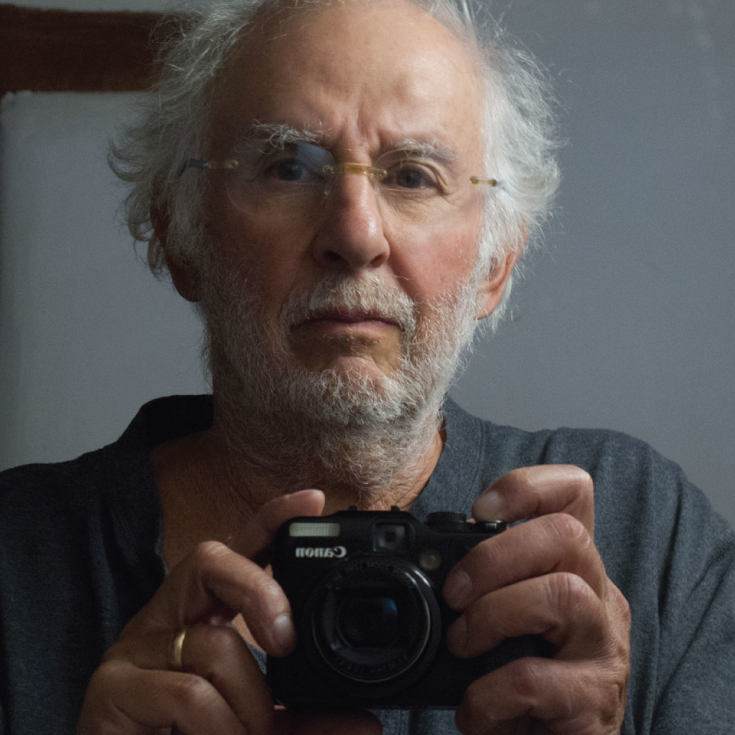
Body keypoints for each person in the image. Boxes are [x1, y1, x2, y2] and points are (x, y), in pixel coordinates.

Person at [1, 0, 733, 733]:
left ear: (496, 265)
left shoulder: (641, 536)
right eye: (288, 166)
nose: (354, 233)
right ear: (180, 234)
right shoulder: (17, 561)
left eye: (412, 176)